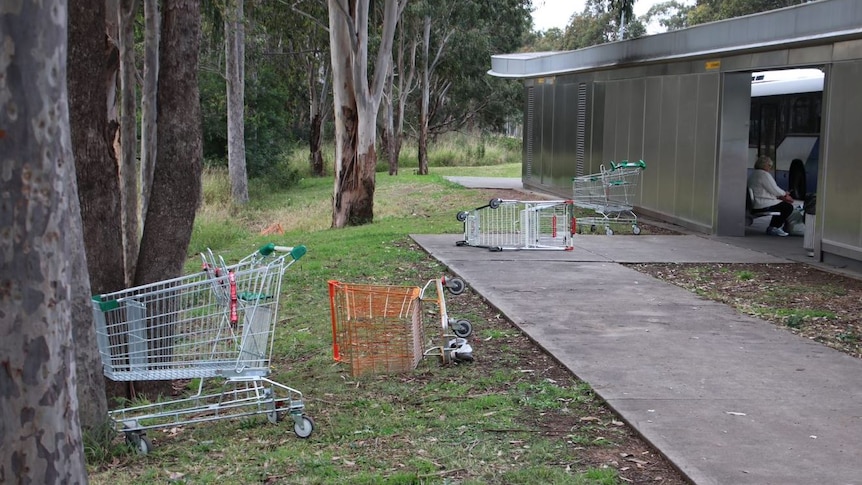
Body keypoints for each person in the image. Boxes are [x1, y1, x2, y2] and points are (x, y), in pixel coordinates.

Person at [747, 155, 794, 236]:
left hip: (756, 203)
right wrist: (785, 194)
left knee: (781, 205)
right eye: (769, 165)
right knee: (787, 207)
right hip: (762, 204)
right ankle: (774, 227)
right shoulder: (764, 175)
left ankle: (773, 227)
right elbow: (774, 189)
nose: (770, 168)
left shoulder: (754, 174)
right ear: (764, 165)